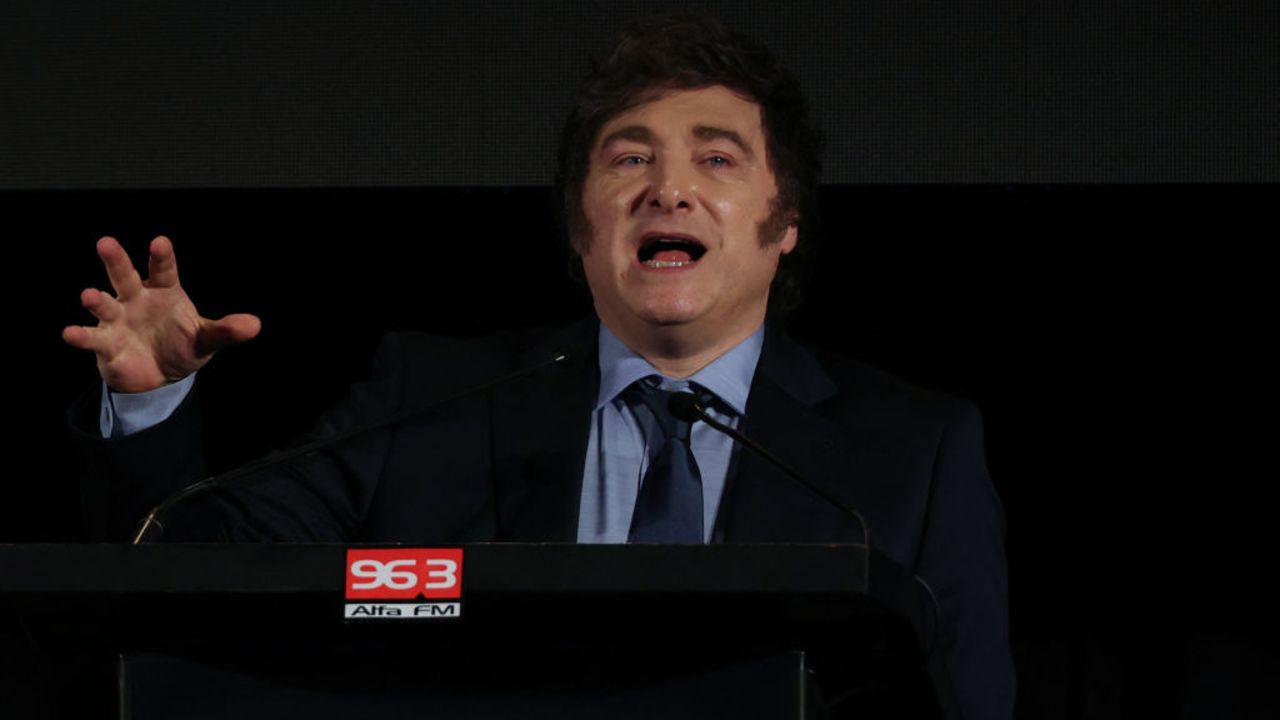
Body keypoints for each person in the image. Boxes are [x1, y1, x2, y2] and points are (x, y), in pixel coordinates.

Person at [64, 13, 1013, 719]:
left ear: (785, 224)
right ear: (580, 226)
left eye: (717, 160)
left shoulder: (913, 451)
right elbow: (190, 583)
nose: (667, 186)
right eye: (627, 158)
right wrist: (155, 407)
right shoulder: (429, 404)